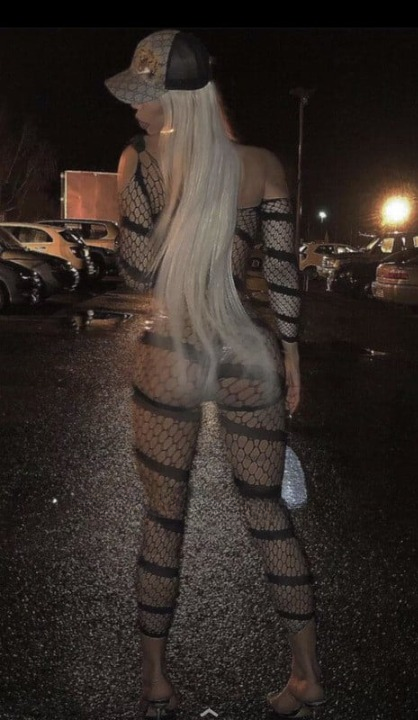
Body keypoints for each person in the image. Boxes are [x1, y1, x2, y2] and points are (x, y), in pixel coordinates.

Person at [105, 28, 326, 719]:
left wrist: (142, 184)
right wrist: (290, 353)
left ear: (174, 98)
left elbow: (136, 273)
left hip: (173, 349)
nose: (135, 108)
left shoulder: (141, 160)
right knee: (267, 514)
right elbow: (282, 273)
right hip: (244, 350)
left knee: (163, 517)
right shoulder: (259, 165)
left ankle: (154, 681)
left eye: (144, 95)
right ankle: (306, 677)